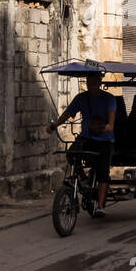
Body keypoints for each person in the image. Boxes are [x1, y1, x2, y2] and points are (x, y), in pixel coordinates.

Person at [48, 69, 116, 216]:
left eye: (93, 84)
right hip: (86, 138)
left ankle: (100, 206)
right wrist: (55, 125)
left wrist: (108, 126)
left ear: (99, 83)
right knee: (71, 155)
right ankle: (84, 180)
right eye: (88, 84)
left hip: (104, 140)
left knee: (103, 173)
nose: (90, 87)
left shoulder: (109, 99)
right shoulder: (81, 98)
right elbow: (68, 113)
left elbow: (111, 118)